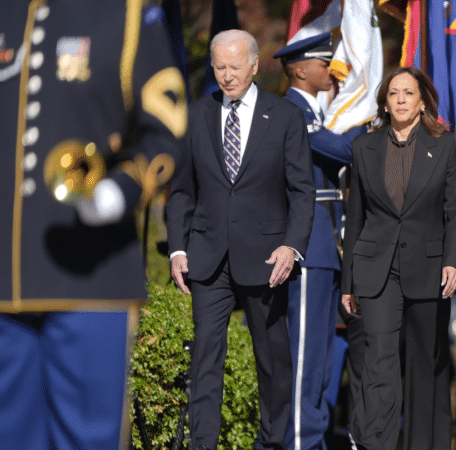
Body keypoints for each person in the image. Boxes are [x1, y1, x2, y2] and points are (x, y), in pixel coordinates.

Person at [0, 1, 186, 448]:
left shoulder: (127, 11)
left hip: (93, 279)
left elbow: (167, 126)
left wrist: (120, 191)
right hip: (4, 279)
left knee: (88, 440)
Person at [166, 29, 316, 450]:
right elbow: (181, 190)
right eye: (219, 67)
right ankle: (203, 444)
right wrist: (178, 248)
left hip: (267, 257)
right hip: (207, 257)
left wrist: (291, 245)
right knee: (206, 360)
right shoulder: (196, 116)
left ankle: (271, 443)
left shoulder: (284, 117)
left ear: (254, 65)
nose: (227, 75)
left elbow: (301, 191)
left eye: (234, 66)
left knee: (272, 362)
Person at [340, 66, 456, 450]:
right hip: (376, 269)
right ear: (385, 101)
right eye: (393, 93)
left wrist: (453, 261)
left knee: (425, 365)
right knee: (379, 360)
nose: (400, 100)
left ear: (422, 100)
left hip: (429, 268)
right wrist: (349, 284)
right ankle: (375, 444)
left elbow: (455, 210)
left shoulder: (445, 145)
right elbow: (355, 216)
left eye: (408, 93)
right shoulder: (365, 147)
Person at [272, 32, 367, 450]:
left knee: (323, 358)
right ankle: (299, 440)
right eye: (325, 63)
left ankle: (312, 437)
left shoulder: (314, 111)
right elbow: (344, 151)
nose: (333, 69)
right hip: (308, 245)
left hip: (327, 243)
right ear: (300, 69)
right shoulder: (294, 112)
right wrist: (367, 116)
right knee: (306, 357)